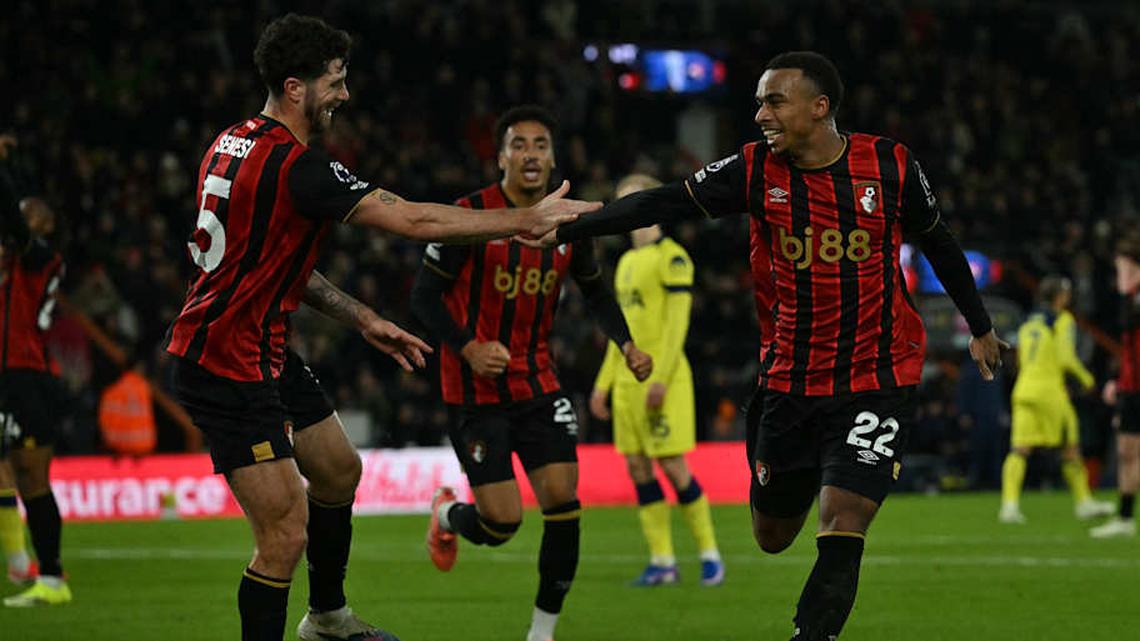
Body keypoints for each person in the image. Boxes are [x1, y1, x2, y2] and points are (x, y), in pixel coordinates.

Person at [525, 51, 1007, 641]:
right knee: (772, 535)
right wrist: (570, 226)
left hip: (878, 376)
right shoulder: (753, 171)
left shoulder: (890, 165)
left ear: (819, 107)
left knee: (844, 515)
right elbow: (666, 200)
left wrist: (979, 326)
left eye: (774, 101)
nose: (760, 114)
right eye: (759, 101)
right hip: (790, 382)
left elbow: (939, 241)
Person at [163, 16, 594, 641]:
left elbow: (270, 264)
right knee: (283, 537)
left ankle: (328, 619)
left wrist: (362, 316)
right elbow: (415, 220)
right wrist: (521, 222)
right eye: (334, 82)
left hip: (264, 346)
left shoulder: (230, 141)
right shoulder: (299, 167)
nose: (344, 95)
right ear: (295, 88)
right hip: (226, 364)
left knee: (338, 469)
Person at [412, 105, 652, 641]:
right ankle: (449, 514)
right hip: (474, 387)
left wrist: (627, 343)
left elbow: (594, 291)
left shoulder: (569, 222)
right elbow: (423, 297)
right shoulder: (469, 215)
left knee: (564, 500)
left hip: (538, 381)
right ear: (500, 157)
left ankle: (541, 634)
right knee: (501, 523)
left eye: (540, 145)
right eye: (519, 144)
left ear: (553, 157)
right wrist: (469, 346)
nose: (530, 154)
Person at [587, 173, 724, 587]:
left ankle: (709, 555)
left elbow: (675, 327)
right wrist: (602, 384)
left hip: (665, 380)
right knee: (637, 467)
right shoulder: (626, 263)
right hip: (627, 384)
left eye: (635, 201)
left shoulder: (674, 258)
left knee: (672, 464)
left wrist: (660, 378)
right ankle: (663, 561)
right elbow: (620, 334)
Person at [0, 145, 68, 607]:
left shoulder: (40, 255)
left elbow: (11, 214)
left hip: (26, 376)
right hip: (11, 374)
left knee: (32, 479)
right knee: (18, 477)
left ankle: (51, 578)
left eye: (30, 214)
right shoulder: (15, 257)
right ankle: (24, 563)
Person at [999, 276, 1113, 523]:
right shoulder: (1062, 319)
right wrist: (1087, 380)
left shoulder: (1028, 322)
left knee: (1019, 450)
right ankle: (1084, 502)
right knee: (1070, 448)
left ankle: (1009, 506)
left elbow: (1019, 359)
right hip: (1050, 392)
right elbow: (1065, 358)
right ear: (1060, 296)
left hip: (1024, 390)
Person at [1091, 235, 1140, 538]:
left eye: (1122, 267)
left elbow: (1127, 323)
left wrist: (1125, 288)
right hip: (1130, 385)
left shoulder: (1133, 296)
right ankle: (1124, 518)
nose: (1118, 273)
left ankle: (1125, 517)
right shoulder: (1131, 295)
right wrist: (1117, 382)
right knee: (1125, 451)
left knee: (1132, 451)